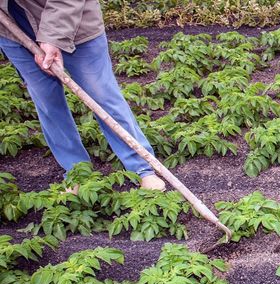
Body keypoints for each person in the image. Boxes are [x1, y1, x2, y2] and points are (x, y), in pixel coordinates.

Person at [0, 0, 166, 192]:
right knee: (47, 102)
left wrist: (53, 37)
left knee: (102, 95)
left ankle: (143, 168)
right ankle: (76, 172)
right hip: (13, 29)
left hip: (74, 23)